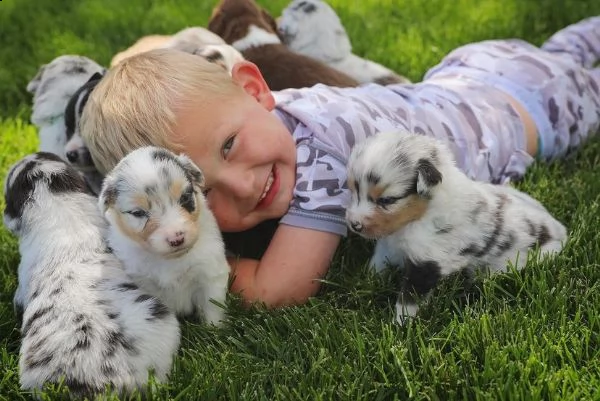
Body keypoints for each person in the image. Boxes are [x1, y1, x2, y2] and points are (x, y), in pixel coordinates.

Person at [81, 16, 600, 308]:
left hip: (531, 109)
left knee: (577, 72)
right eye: (205, 194)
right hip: (469, 72)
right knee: (569, 45)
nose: (242, 185)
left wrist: (171, 267)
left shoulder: (325, 162)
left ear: (255, 88)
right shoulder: (258, 115)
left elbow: (278, 290)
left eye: (229, 147)